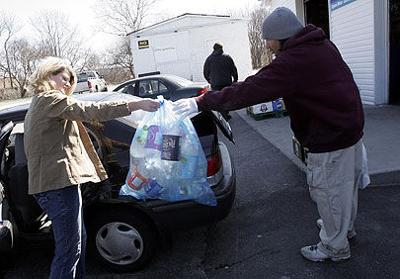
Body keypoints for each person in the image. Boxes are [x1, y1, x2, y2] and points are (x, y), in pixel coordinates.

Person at [173, 7, 370, 262]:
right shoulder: (321, 46)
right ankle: (343, 231)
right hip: (348, 128)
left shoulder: (293, 61)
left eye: (268, 39)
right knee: (344, 188)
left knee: (329, 191)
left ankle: (334, 247)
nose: (266, 45)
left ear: (282, 36)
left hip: (330, 135)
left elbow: (251, 89)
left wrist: (202, 102)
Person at [24, 56, 159, 278]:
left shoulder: (45, 103)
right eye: (64, 78)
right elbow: (91, 109)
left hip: (58, 185)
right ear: (48, 75)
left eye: (70, 81)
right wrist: (136, 104)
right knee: (69, 251)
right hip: (57, 185)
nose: (68, 84)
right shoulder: (49, 99)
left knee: (78, 244)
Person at [203, 42, 238, 120]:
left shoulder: (209, 59)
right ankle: (225, 114)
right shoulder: (227, 57)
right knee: (226, 98)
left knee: (218, 99)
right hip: (226, 83)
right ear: (221, 48)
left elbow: (205, 72)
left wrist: (209, 80)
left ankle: (222, 115)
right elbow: (233, 70)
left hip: (215, 84)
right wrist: (235, 79)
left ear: (214, 49)